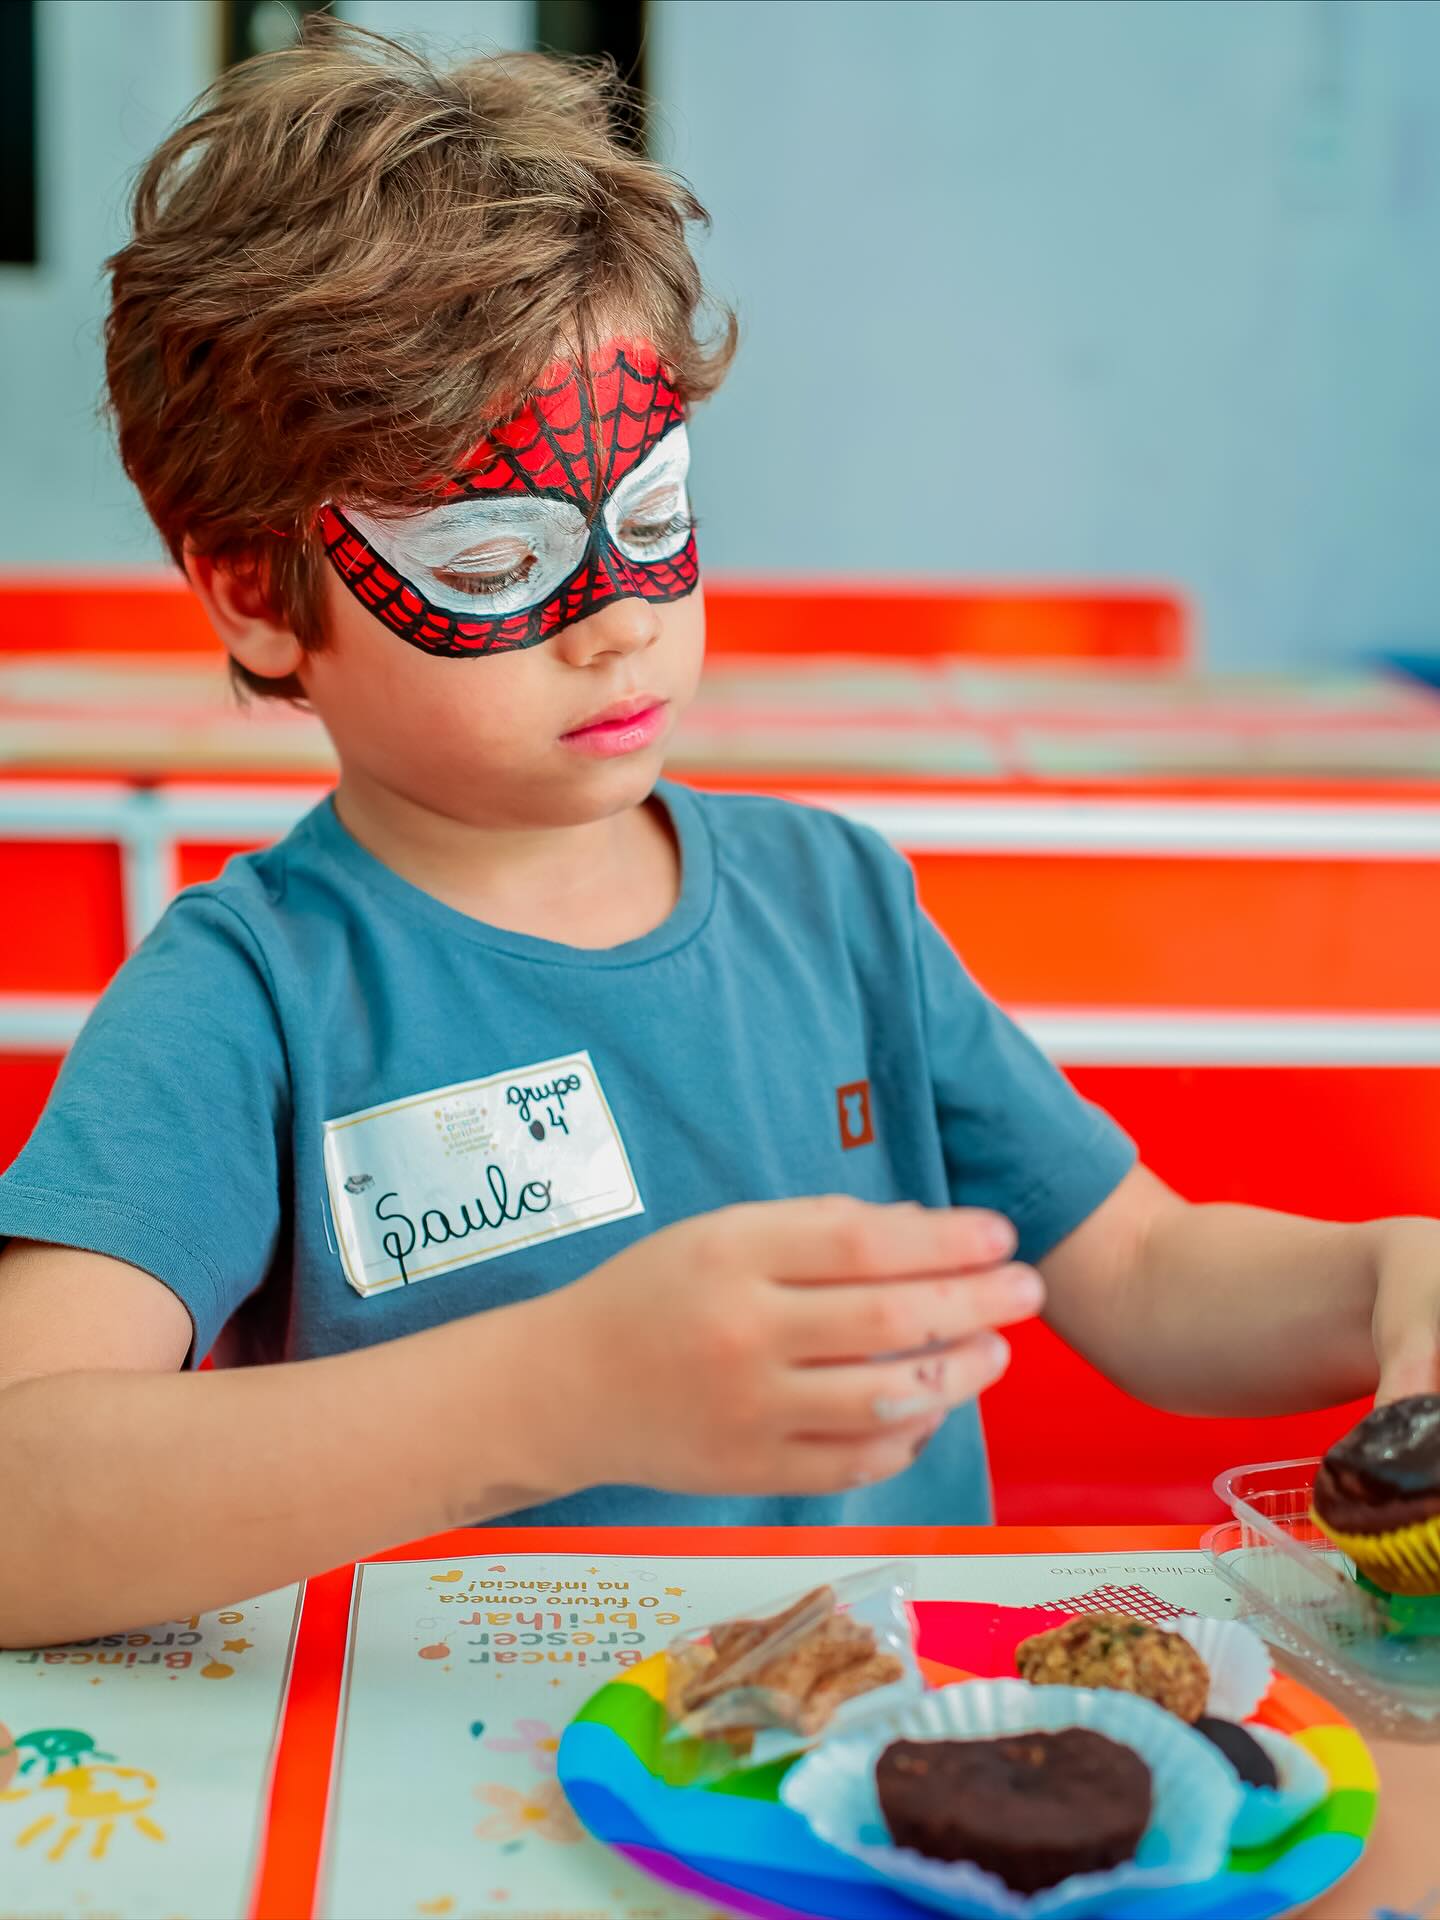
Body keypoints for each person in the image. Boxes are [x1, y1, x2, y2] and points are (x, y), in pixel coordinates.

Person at [0, 23, 1434, 1648]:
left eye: (657, 521)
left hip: (874, 1792)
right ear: (261, 596)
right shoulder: (245, 998)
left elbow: (1151, 1273)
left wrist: (1391, 1275)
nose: (619, 623)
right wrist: (558, 1394)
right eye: (492, 560)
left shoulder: (835, 905)